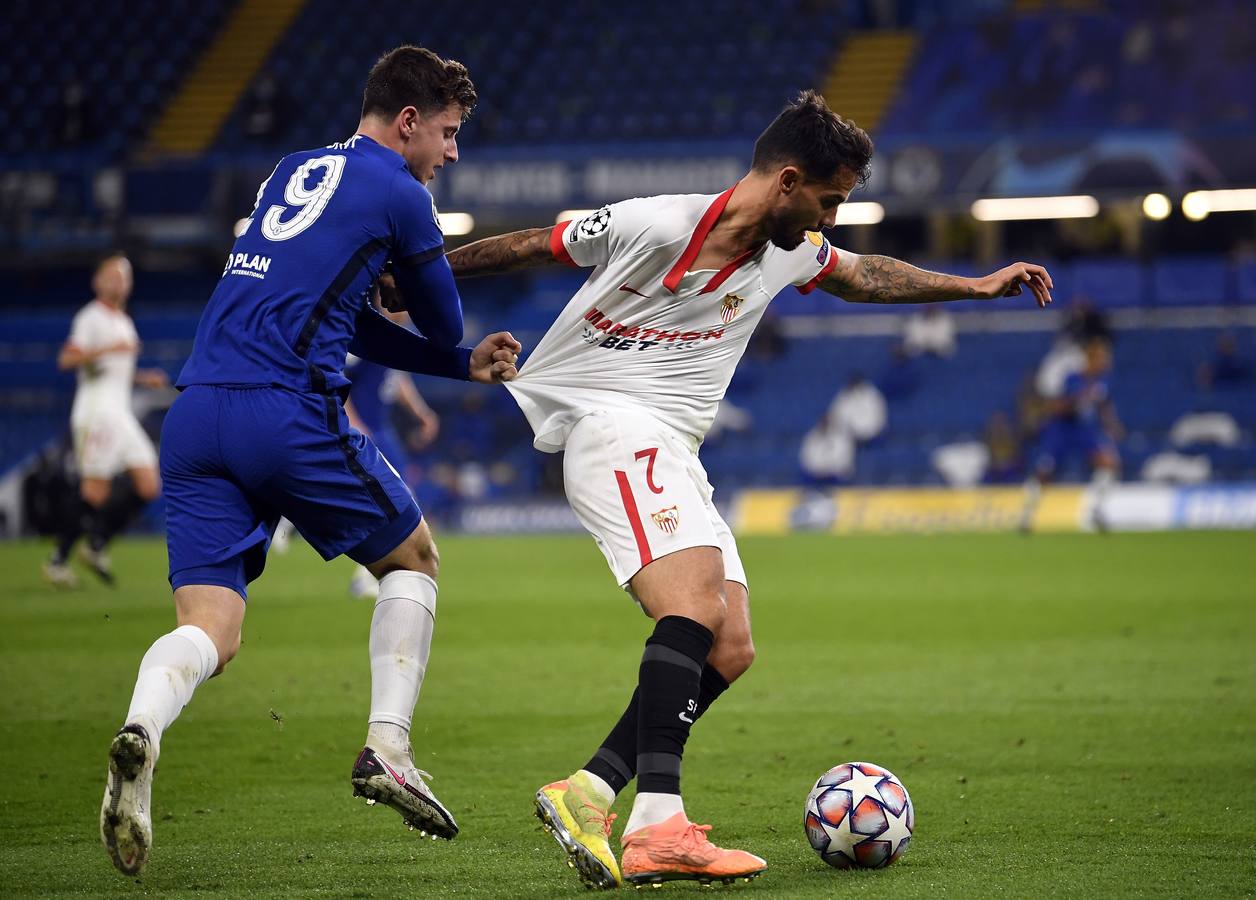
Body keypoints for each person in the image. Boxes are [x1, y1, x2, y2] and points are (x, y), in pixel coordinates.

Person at [440, 91, 1052, 889]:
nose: (830, 219)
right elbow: (528, 246)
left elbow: (864, 276)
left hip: (673, 445)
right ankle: (658, 826)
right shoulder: (658, 222)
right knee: (691, 604)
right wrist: (410, 280)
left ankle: (587, 790)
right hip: (609, 422)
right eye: (829, 200)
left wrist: (972, 287)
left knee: (730, 644)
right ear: (789, 180)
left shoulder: (792, 246)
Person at [99, 46, 522, 877]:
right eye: (446, 132)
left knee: (210, 631)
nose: (452, 153)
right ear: (408, 123)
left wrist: (460, 363)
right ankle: (388, 748)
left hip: (194, 415)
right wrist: (430, 293)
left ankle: (140, 732)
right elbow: (439, 318)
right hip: (283, 410)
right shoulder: (401, 192)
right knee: (417, 557)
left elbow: (345, 316)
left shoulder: (294, 168)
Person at [44, 256, 168, 586]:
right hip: (96, 413)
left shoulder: (123, 321)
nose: (120, 283)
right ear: (97, 281)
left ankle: (97, 543)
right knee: (95, 491)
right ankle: (57, 561)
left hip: (120, 413)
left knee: (149, 484)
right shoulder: (91, 318)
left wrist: (142, 378)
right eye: (113, 276)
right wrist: (107, 349)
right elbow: (67, 358)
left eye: (125, 277)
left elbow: (115, 372)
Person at [345, 348, 440, 600]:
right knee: (389, 501)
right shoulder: (364, 336)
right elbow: (335, 376)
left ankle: (373, 574)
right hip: (362, 432)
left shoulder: (395, 337)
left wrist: (423, 414)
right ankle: (375, 572)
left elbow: (398, 380)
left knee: (403, 497)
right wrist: (351, 421)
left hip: (381, 431)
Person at [1019, 338, 1120, 532]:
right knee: (1044, 472)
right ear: (1091, 360)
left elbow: (1104, 405)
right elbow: (1057, 406)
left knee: (1108, 463)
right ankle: (1027, 514)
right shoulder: (1073, 379)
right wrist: (1076, 400)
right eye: (1102, 359)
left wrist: (1112, 425)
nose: (1106, 363)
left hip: (1083, 429)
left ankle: (1096, 510)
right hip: (1062, 429)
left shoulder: (1103, 382)